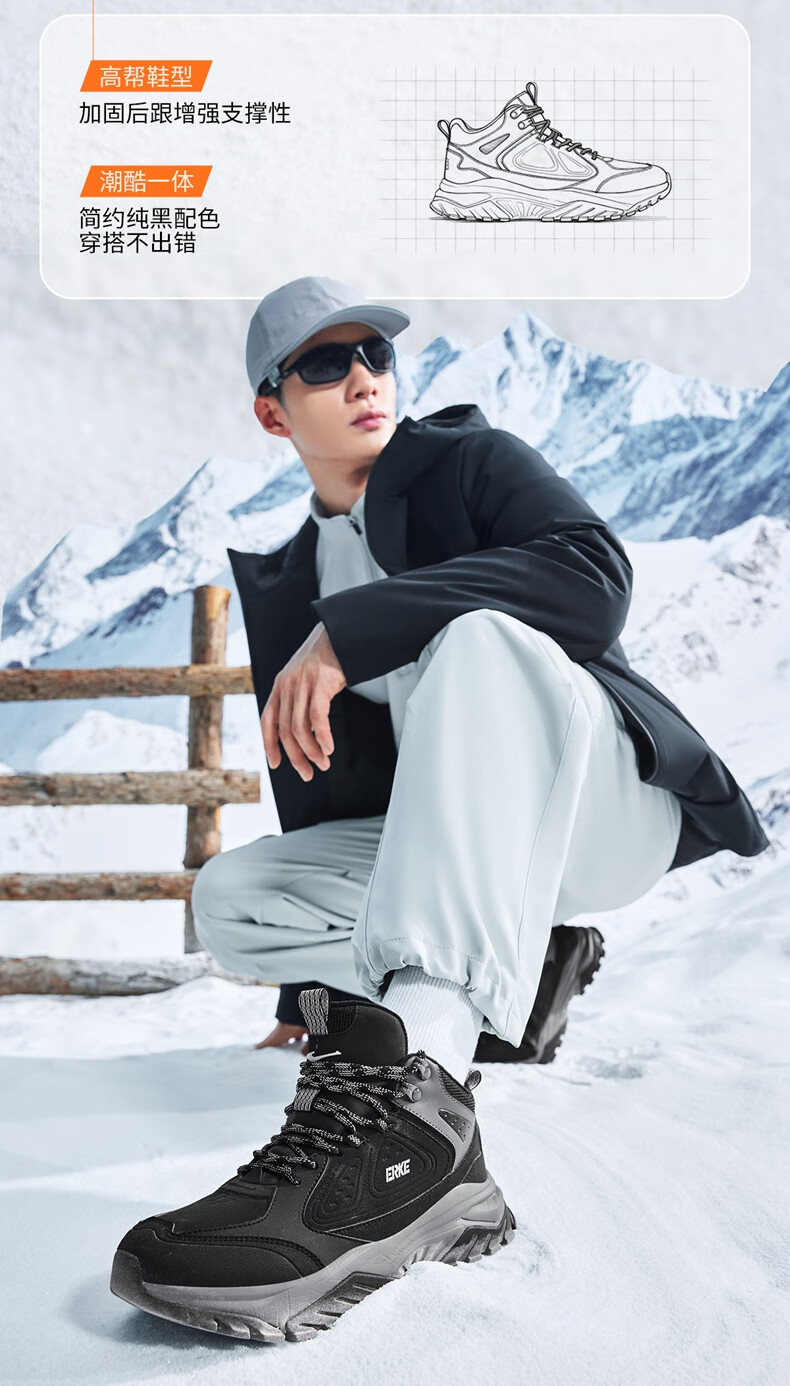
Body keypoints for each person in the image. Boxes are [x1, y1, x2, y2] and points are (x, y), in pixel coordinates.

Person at [110, 276, 769, 1342]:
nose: (364, 377)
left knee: (477, 640)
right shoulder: (291, 576)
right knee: (233, 898)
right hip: (462, 849)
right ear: (272, 410)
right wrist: (316, 995)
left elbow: (593, 577)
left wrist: (354, 631)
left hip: (597, 805)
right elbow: (329, 788)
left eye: (375, 353)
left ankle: (408, 1138)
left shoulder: (467, 460)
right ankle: (508, 980)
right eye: (326, 363)